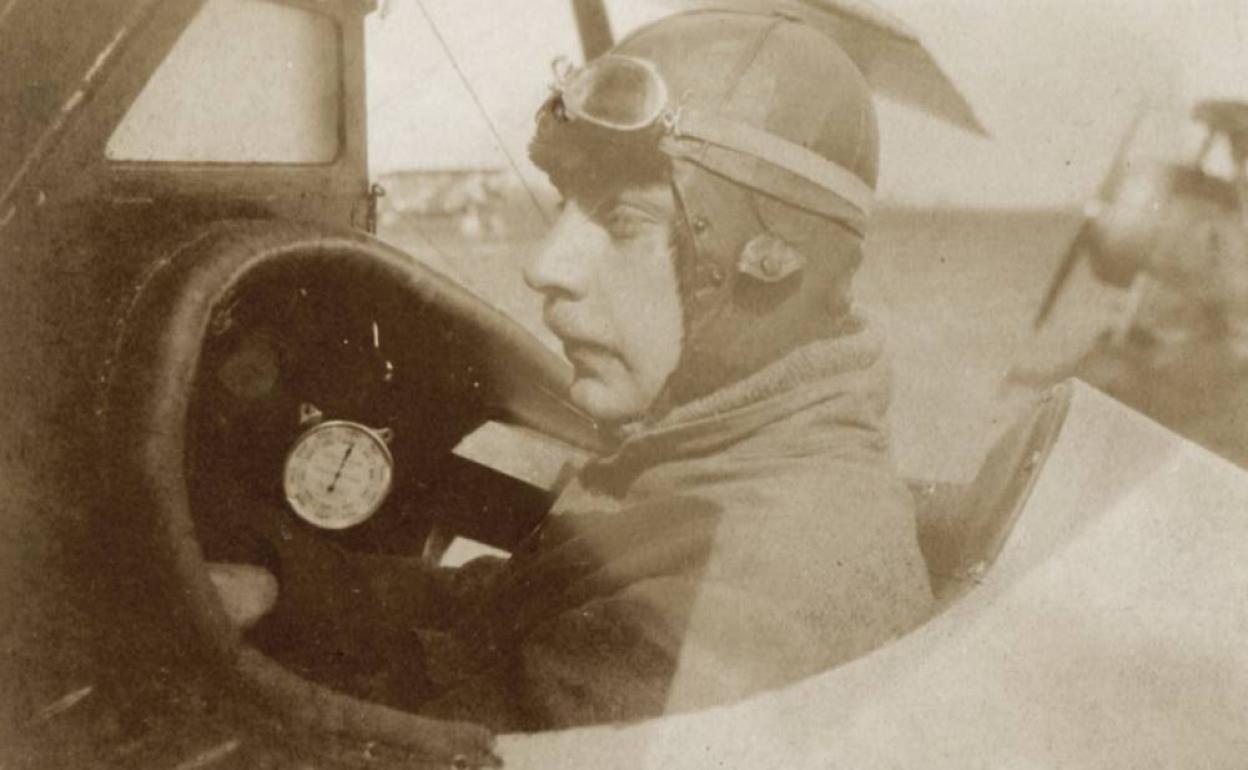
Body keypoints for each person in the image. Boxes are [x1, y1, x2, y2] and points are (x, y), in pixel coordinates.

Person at [225, 9, 933, 732]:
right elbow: (511, 611)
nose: (544, 267)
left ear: (766, 267)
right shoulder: (723, 466)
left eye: (623, 221)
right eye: (566, 206)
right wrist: (281, 587)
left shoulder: (740, 604)